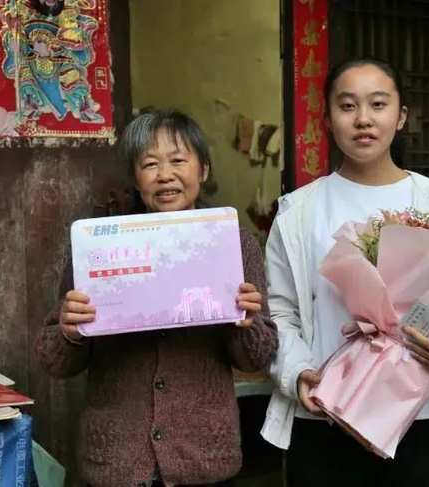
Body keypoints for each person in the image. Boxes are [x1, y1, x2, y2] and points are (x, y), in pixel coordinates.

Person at [261, 58, 429, 486]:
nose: (363, 119)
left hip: (419, 418)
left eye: (378, 104)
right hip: (327, 411)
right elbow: (280, 311)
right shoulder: (299, 210)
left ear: (401, 116)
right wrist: (297, 373)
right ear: (327, 119)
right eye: (347, 106)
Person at [34, 110, 278, 487]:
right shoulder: (99, 248)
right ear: (136, 178)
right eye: (150, 164)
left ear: (204, 170)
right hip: (117, 460)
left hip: (203, 459)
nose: (165, 174)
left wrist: (245, 325)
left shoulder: (234, 244)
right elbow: (54, 361)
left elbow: (257, 356)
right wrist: (70, 332)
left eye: (178, 160)